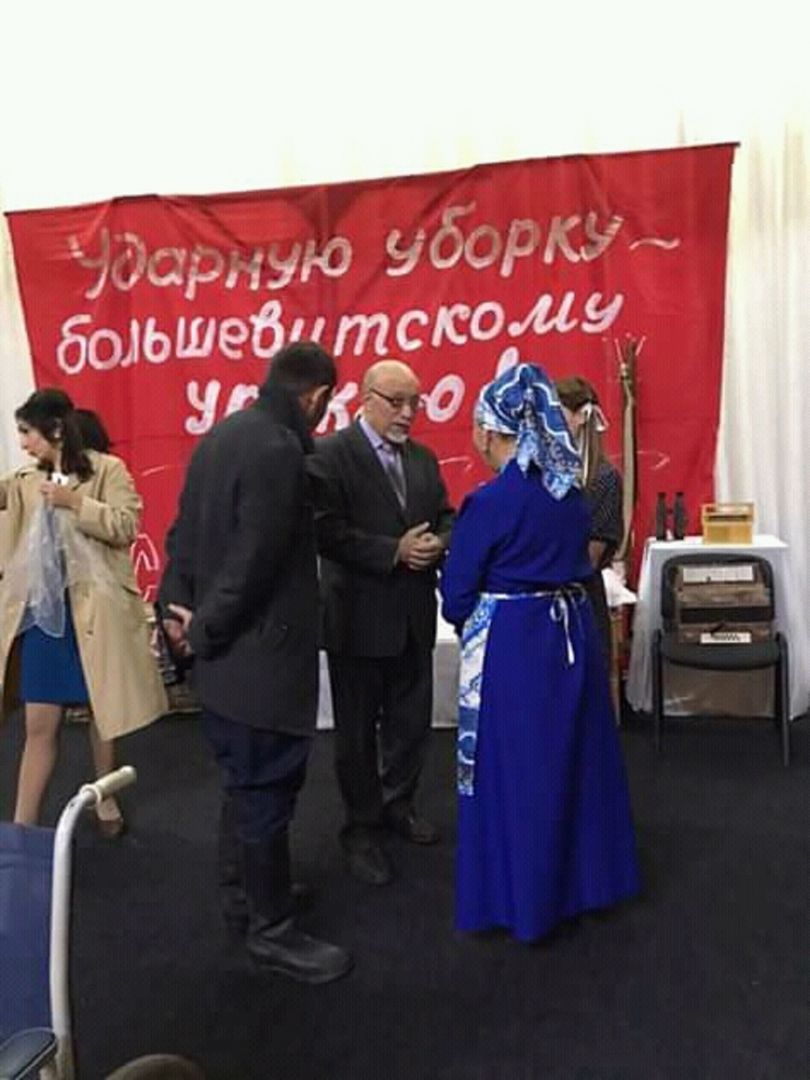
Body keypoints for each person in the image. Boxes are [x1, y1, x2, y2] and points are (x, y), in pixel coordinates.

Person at [158, 341, 352, 985]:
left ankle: (245, 896)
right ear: (317, 397)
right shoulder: (278, 450)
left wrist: (175, 613)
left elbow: (182, 536)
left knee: (245, 784)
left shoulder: (221, 436)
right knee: (266, 789)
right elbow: (255, 562)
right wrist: (205, 629)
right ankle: (271, 930)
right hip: (258, 660)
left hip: (226, 664)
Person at [440, 363, 640, 943]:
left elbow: (457, 595)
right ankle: (585, 886)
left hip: (513, 648)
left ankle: (525, 901)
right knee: (574, 762)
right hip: (571, 635)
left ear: (490, 430)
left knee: (517, 772)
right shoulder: (568, 494)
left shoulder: (489, 503)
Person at [307, 359, 455, 887]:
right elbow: (324, 531)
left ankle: (399, 804)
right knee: (356, 734)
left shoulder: (423, 459)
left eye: (415, 402)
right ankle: (361, 829)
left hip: (413, 616)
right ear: (366, 398)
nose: (408, 413)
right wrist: (393, 551)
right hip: (356, 619)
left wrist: (440, 541)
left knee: (410, 725)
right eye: (397, 402)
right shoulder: (329, 455)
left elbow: (445, 514)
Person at [0, 388, 167, 832]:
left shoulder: (108, 470)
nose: (23, 443)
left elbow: (126, 525)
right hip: (43, 619)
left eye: (27, 432)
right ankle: (23, 829)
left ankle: (104, 795)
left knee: (103, 712)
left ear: (55, 430)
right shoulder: (24, 480)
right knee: (39, 723)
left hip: (96, 616)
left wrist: (76, 503)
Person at [555, 376, 623, 673]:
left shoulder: (603, 480)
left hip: (579, 602)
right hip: (545, 604)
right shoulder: (544, 475)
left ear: (581, 417)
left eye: (557, 415)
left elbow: (589, 558)